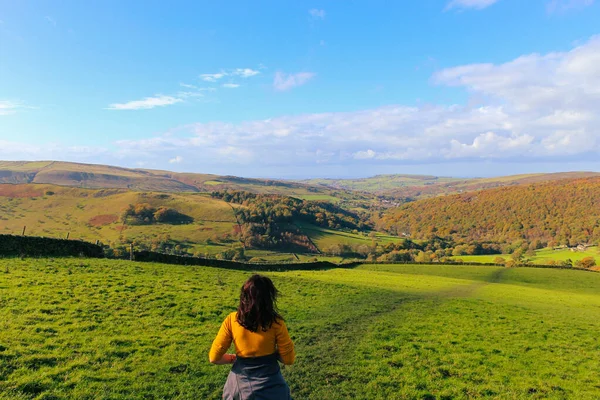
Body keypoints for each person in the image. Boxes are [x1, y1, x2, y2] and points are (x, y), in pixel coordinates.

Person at [209, 274, 295, 399]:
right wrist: (273, 354)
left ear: (244, 297)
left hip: (240, 388)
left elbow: (214, 358)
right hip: (272, 388)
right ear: (269, 298)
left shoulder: (232, 320)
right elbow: (288, 360)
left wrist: (233, 358)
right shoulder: (276, 323)